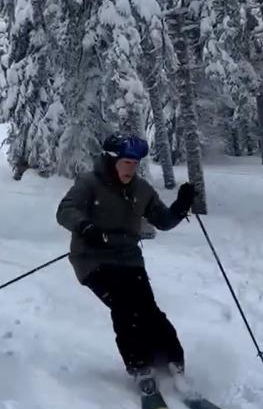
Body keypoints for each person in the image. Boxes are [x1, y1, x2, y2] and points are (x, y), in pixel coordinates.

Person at [56, 132, 195, 395]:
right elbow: (65, 210)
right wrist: (86, 227)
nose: (131, 169)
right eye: (126, 163)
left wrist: (181, 205)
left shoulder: (141, 190)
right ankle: (140, 366)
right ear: (111, 161)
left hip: (129, 259)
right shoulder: (89, 184)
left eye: (135, 163)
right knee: (125, 306)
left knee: (148, 310)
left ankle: (172, 361)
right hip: (92, 259)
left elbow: (163, 221)